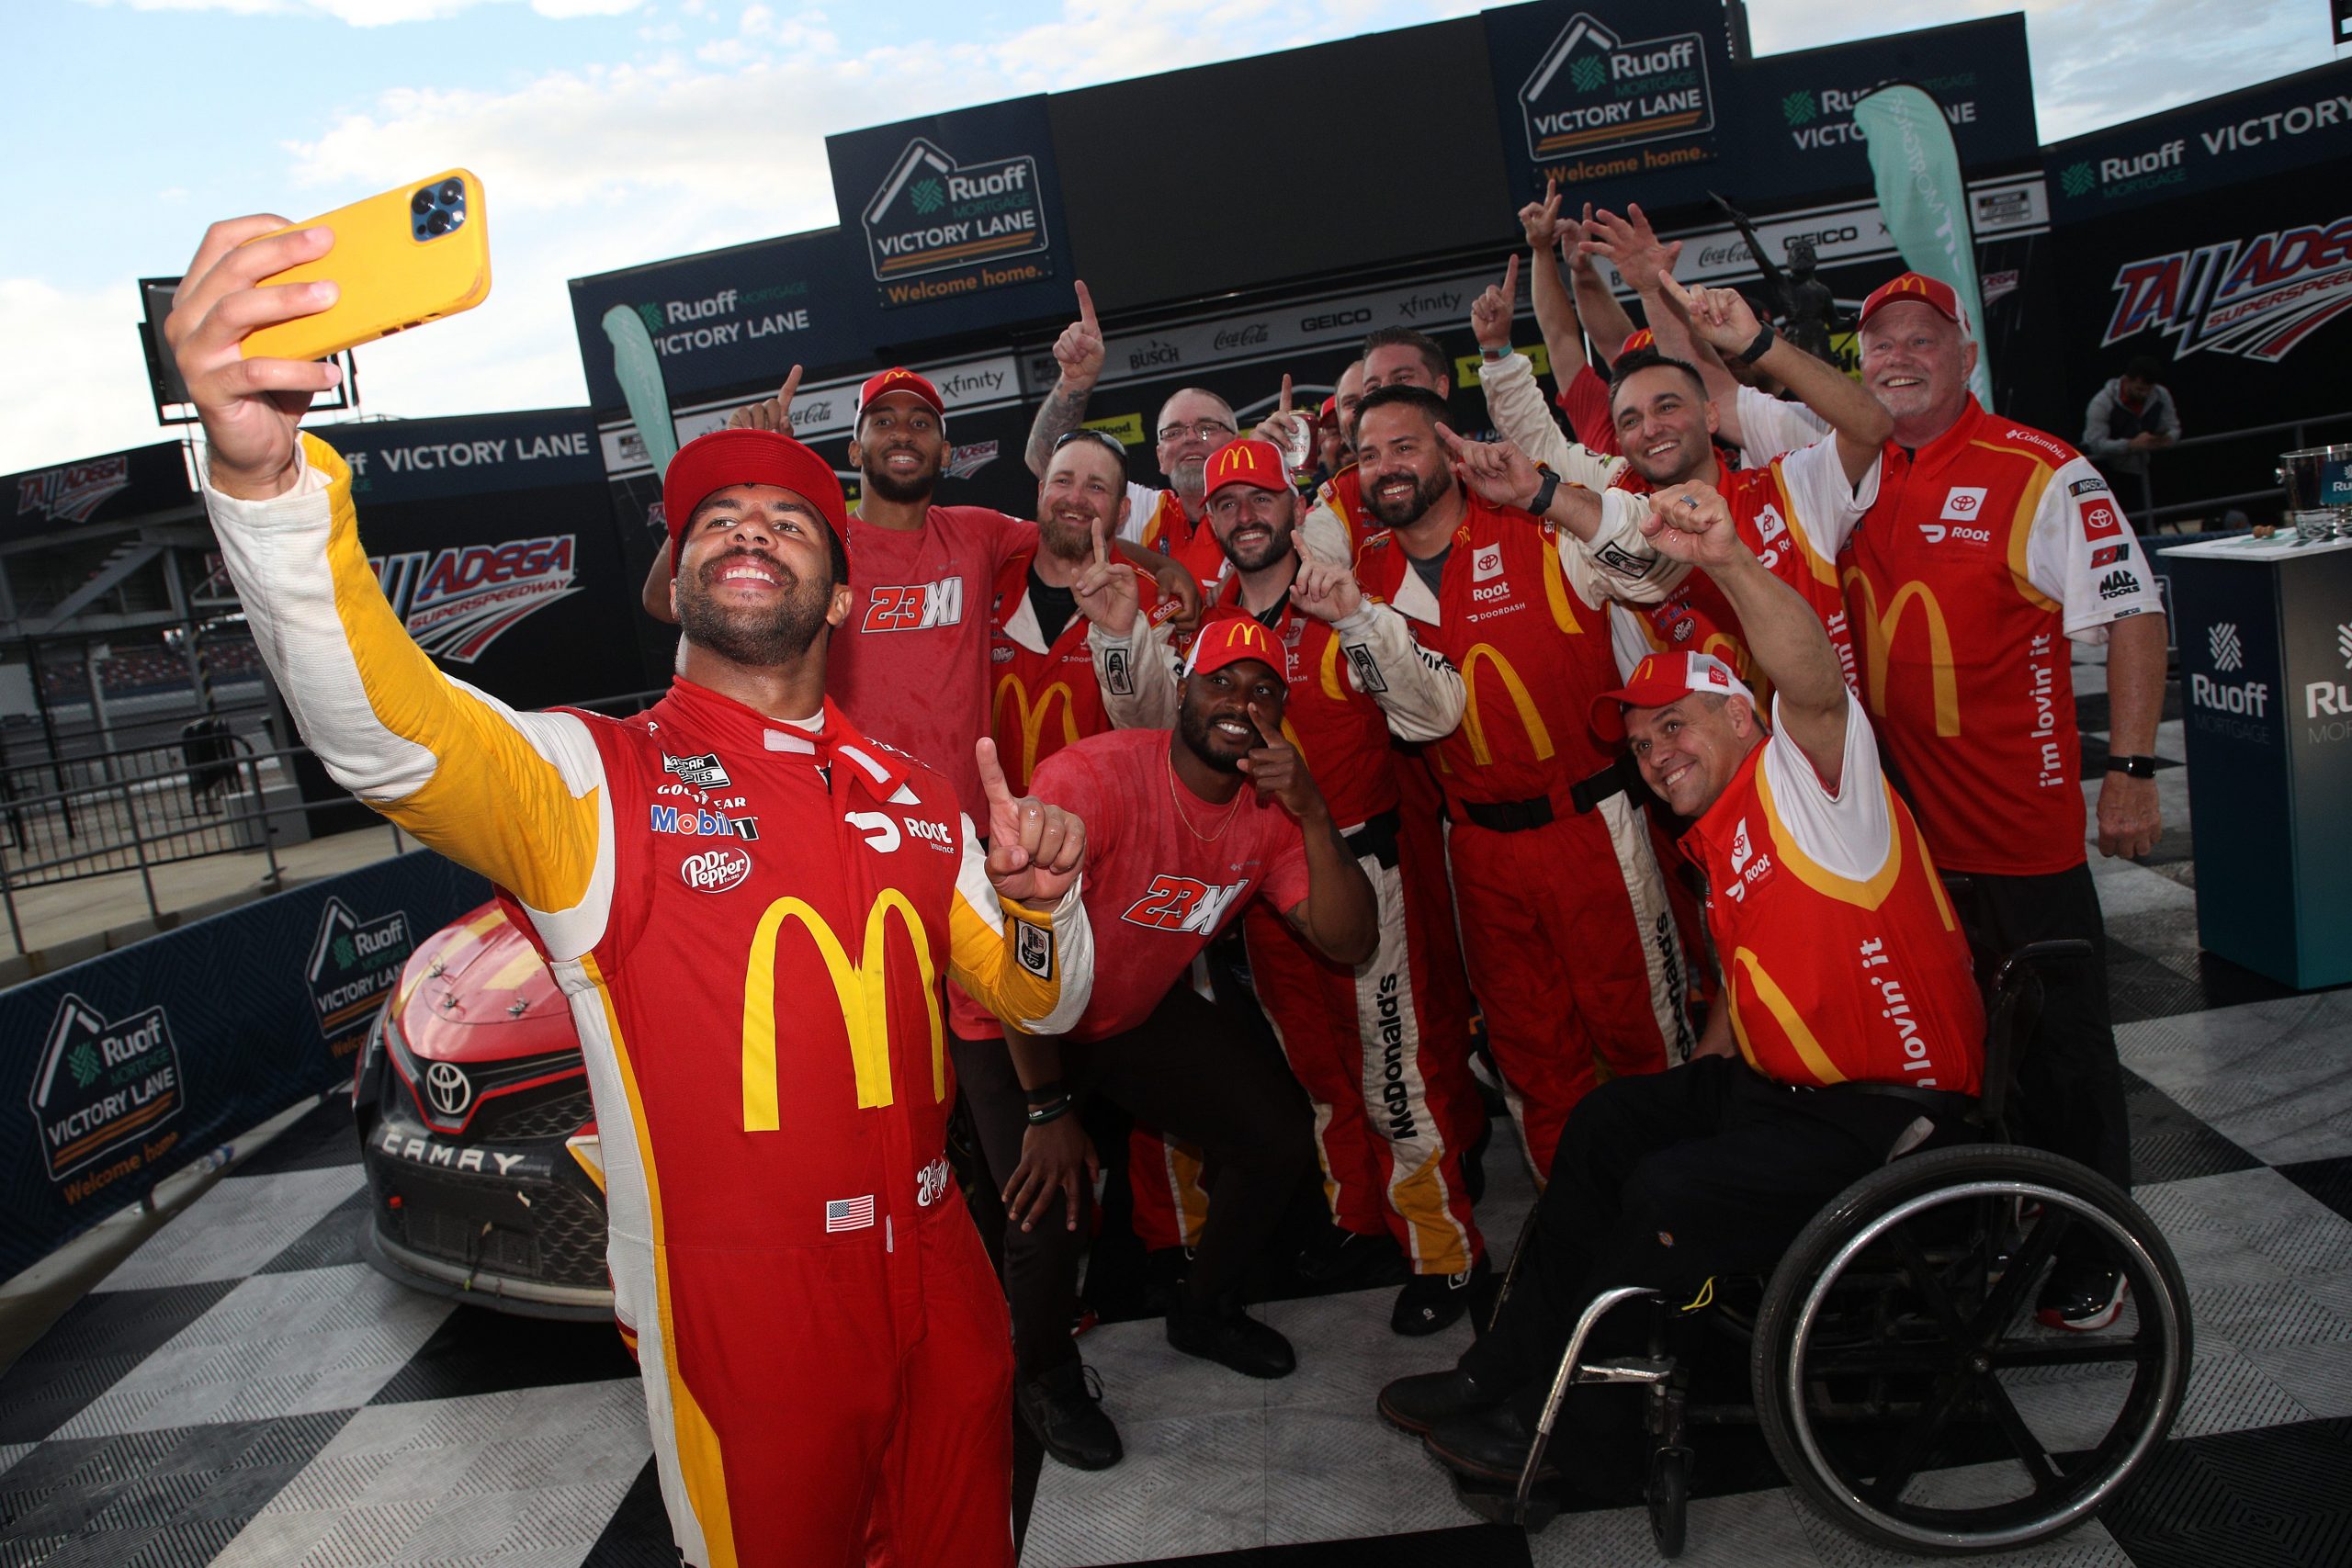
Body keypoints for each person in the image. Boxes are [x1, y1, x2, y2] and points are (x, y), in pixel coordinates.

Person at [169, 215, 1096, 1567]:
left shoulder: (915, 789)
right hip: (750, 1304)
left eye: (792, 518)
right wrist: (267, 488)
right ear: (681, 581)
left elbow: (1040, 990)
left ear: (842, 594)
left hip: (945, 1264)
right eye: (718, 515)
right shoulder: (593, 783)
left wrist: (1043, 898)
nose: (755, 528)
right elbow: (382, 728)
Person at [1379, 479, 1985, 1494]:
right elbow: (1749, 988)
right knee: (1613, 1123)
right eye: (1643, 741)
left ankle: (1567, 1435)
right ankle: (1501, 1370)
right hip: (1794, 1096)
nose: (1659, 754)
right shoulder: (1719, 831)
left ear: (1742, 716)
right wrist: (1686, 1102)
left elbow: (1815, 680)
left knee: (1669, 1191)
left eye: (1679, 725)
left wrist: (1731, 563)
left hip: (1893, 1116)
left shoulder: (1814, 779)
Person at [953, 612, 1379, 1471]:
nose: (1242, 703)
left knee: (1272, 1135)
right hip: (1011, 1015)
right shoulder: (1097, 775)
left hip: (1126, 1010)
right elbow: (1016, 945)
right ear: (1181, 689)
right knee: (1052, 1200)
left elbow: (1350, 941)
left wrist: (1314, 810)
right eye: (1223, 681)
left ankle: (1204, 1306)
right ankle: (1042, 1372)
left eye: (1265, 692)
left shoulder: (1267, 812)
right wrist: (1048, 1106)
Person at [1843, 272, 2166, 1329]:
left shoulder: (2041, 469)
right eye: (1877, 342)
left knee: (2066, 1051)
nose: (1897, 357)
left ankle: (2099, 1245)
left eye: (1920, 339)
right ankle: (2013, 1206)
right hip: (1905, 844)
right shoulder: (1844, 469)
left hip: (2018, 833)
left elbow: (2132, 614)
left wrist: (2128, 770)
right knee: (1967, 1051)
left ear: (1963, 352)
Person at [1339, 386, 1694, 1176]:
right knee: (1534, 1067)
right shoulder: (1359, 579)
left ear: (1451, 448)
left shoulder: (1537, 520)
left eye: (1405, 446)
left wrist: (1541, 491)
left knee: (1650, 1046)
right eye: (1368, 455)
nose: (1388, 468)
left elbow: (1660, 572)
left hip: (1592, 829)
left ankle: (1687, 1251)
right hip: (1478, 852)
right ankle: (1576, 1249)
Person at [1199, 438, 1488, 1333]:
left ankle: (1446, 1257)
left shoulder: (1343, 594)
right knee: (1319, 1075)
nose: (1246, 517)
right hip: (1261, 883)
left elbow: (1433, 712)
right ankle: (1361, 1224)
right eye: (1226, 504)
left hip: (1363, 866)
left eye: (1261, 498)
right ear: (1209, 521)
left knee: (1396, 1069)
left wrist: (1360, 616)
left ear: (1293, 505)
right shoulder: (1206, 623)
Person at [984, 430, 1180, 794]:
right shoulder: (986, 578)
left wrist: (1119, 636)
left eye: (1096, 487)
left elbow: (1159, 729)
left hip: (1106, 836)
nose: (1075, 498)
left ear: (1122, 511)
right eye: (1063, 481)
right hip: (997, 836)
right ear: (1041, 490)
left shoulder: (1151, 597)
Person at [1024, 281, 1235, 599]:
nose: (1191, 439)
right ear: (1160, 456)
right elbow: (1045, 463)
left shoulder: (1264, 509)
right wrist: (1074, 381)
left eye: (1207, 427)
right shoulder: (1143, 510)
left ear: (1237, 442)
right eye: (1174, 432)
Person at [2082, 354, 2181, 512]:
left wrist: (2162, 440)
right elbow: (2095, 444)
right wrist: (2131, 445)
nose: (2145, 394)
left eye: (2149, 390)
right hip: (2109, 473)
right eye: (2140, 389)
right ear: (2127, 380)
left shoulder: (2161, 395)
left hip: (2145, 470)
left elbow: (2173, 428)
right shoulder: (2102, 402)